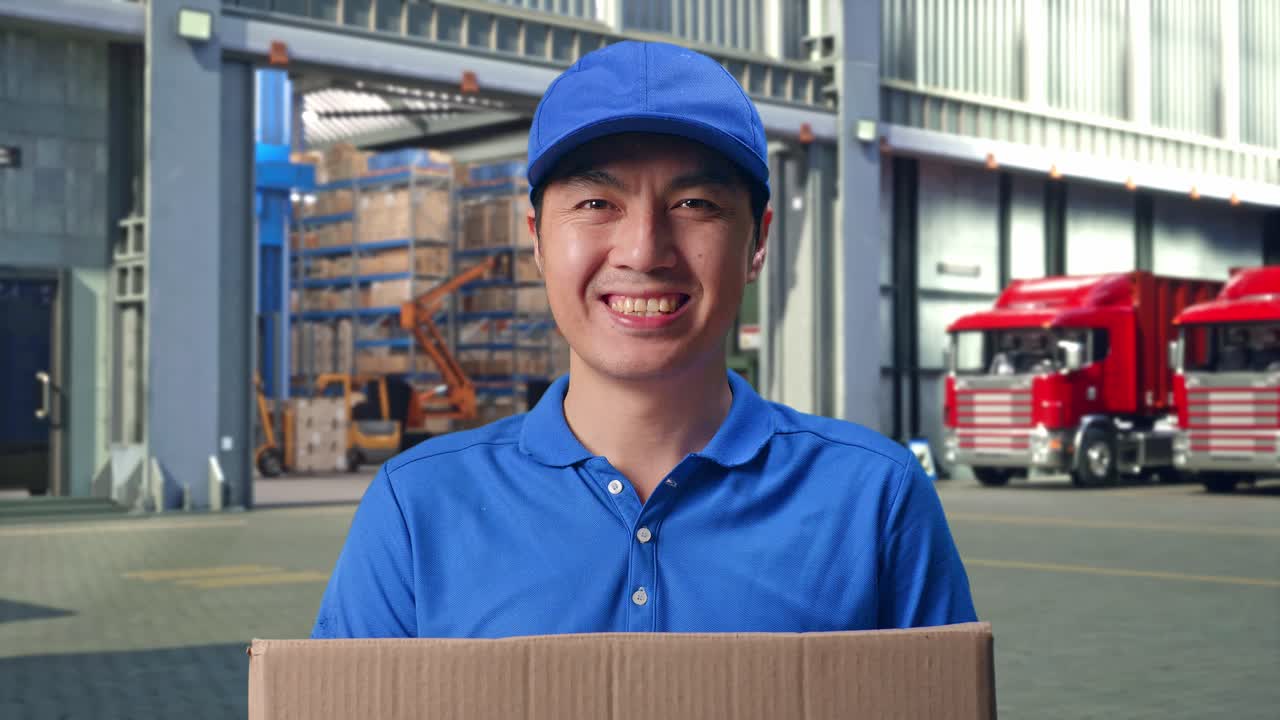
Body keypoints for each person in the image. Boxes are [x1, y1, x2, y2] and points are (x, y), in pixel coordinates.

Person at [312, 41, 976, 640]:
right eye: (597, 204)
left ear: (759, 242)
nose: (644, 249)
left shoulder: (873, 500)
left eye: (695, 205)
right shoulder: (417, 507)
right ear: (537, 238)